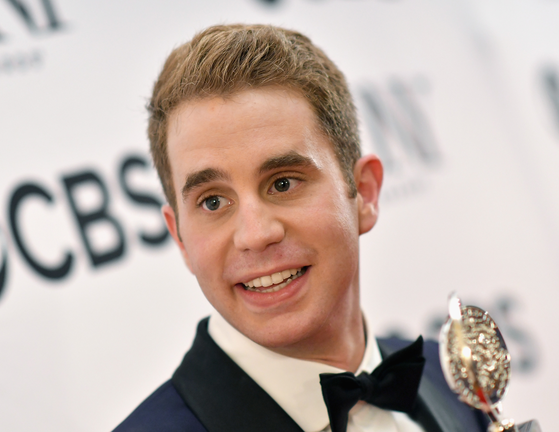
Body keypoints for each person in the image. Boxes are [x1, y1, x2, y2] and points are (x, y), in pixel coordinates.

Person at [114, 24, 489, 432]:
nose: (255, 234)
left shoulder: (448, 375)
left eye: (283, 183)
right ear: (180, 238)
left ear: (364, 193)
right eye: (213, 202)